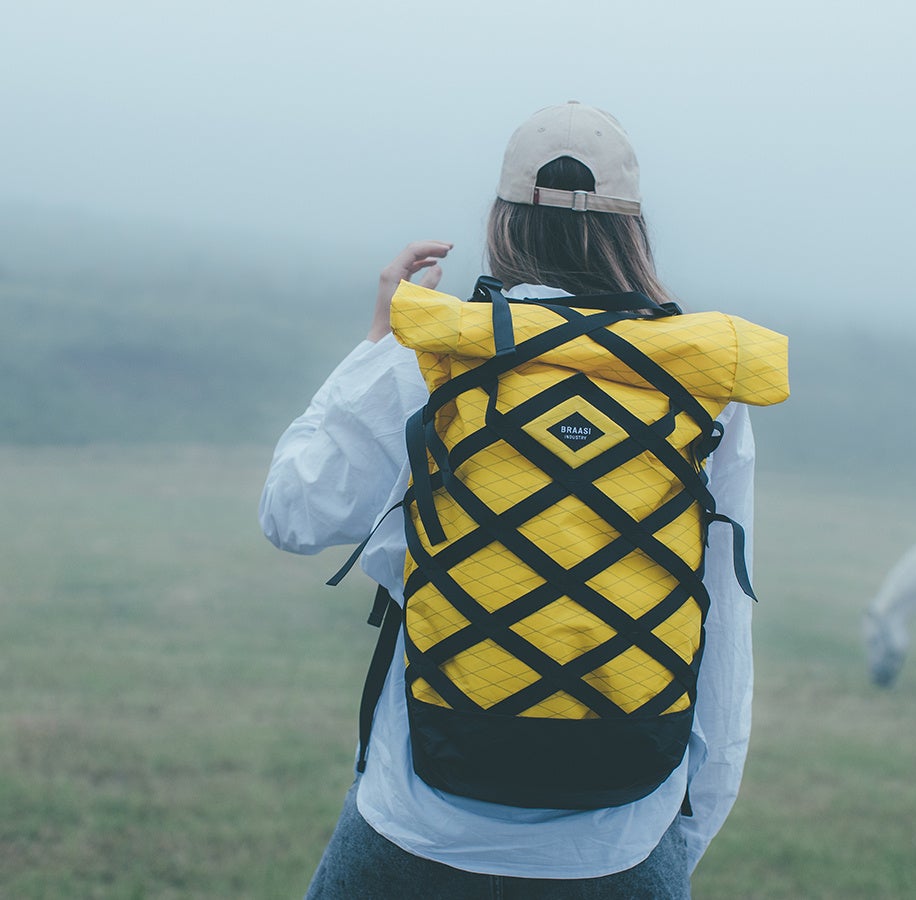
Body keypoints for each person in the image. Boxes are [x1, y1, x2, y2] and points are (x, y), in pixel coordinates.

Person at [259, 101, 759, 899]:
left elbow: (293, 512)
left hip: (419, 825)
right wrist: (674, 846)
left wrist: (380, 340)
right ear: (634, 229)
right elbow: (723, 636)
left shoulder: (438, 355)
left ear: (503, 221)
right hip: (622, 837)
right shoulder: (700, 389)